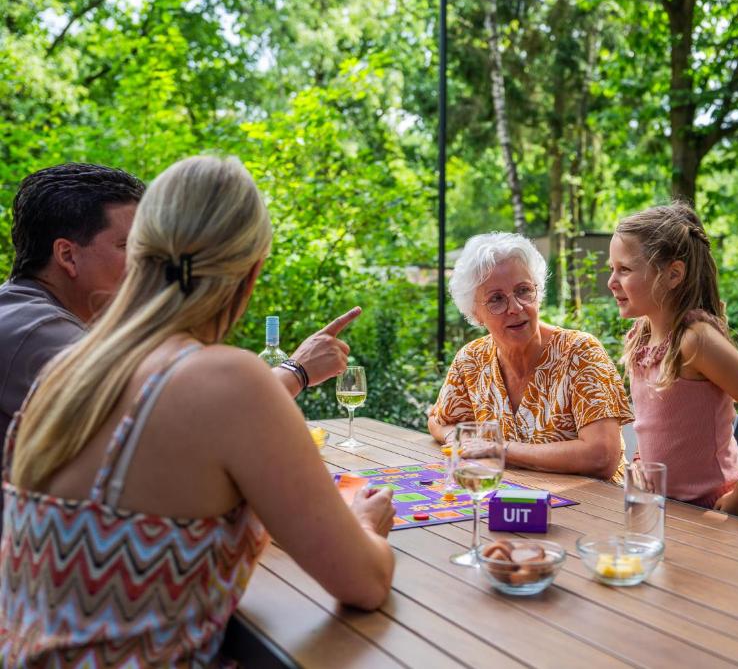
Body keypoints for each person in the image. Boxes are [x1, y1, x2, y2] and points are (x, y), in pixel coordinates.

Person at [0, 156, 396, 665]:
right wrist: (362, 525)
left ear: (139, 256)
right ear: (250, 273)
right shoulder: (227, 381)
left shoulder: (72, 368)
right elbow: (362, 581)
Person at [0, 163, 358, 518]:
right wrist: (297, 370)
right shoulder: (35, 331)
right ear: (67, 255)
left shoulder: (40, 316)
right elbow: (183, 436)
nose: (148, 266)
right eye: (130, 247)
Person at [607, 202, 738, 521]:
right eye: (612, 269)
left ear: (673, 274)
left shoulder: (695, 340)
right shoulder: (641, 338)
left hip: (716, 512)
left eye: (625, 270)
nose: (611, 281)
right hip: (666, 507)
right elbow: (655, 424)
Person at [428, 232, 633, 482]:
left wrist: (499, 449)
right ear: (475, 312)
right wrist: (456, 438)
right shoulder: (471, 361)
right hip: (514, 504)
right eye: (496, 299)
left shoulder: (580, 353)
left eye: (523, 291)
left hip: (594, 510)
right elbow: (439, 421)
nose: (515, 308)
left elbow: (602, 457)